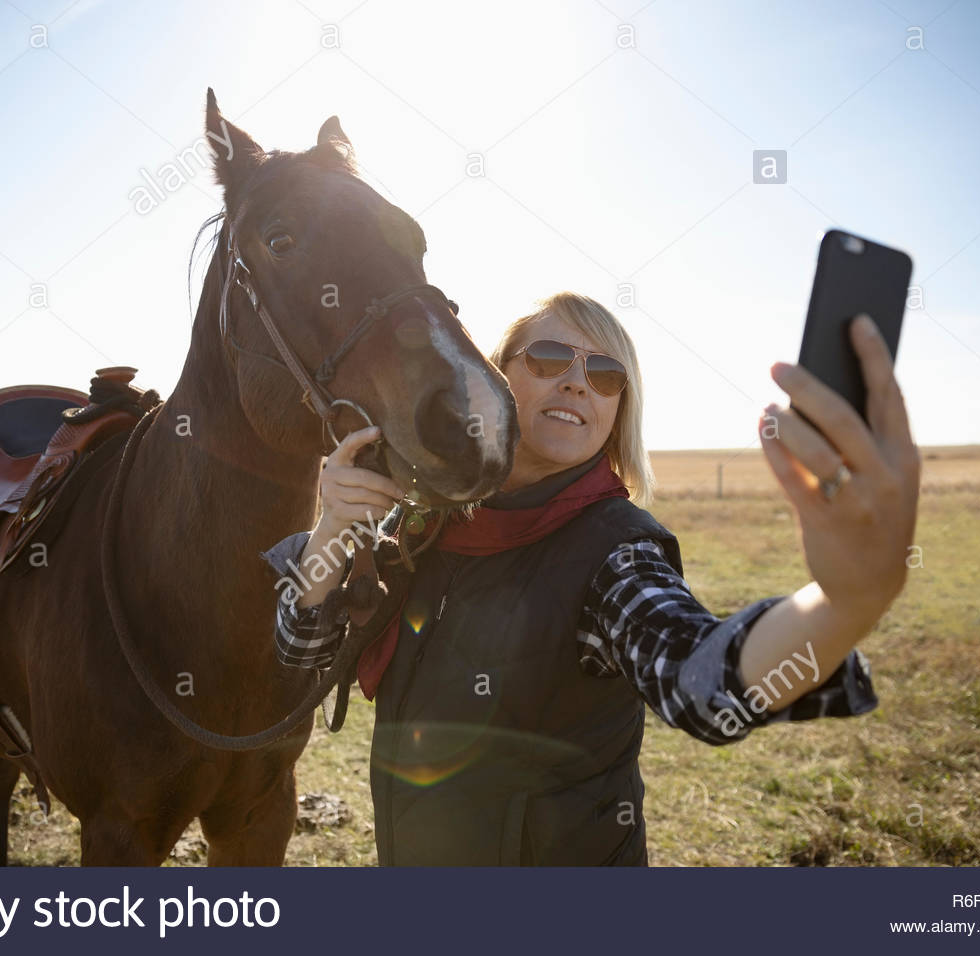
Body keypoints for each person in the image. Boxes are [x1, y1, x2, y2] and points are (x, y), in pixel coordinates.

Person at [260, 291, 920, 866]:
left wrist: (845, 600)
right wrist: (331, 530)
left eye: (605, 375)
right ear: (495, 376)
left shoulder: (613, 553)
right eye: (550, 361)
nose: (579, 383)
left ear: (617, 410)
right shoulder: (423, 522)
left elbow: (706, 686)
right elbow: (302, 655)